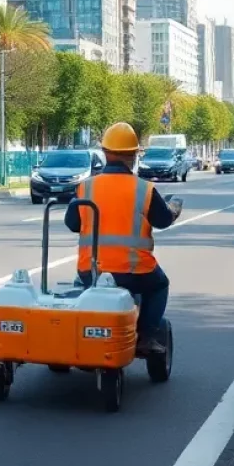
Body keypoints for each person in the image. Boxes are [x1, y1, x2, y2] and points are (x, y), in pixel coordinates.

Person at [64, 122, 182, 355]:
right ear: (133, 156)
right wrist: (174, 208)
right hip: (135, 273)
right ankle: (146, 336)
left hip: (91, 271)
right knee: (160, 285)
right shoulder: (144, 189)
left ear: (105, 153)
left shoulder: (85, 188)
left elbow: (72, 224)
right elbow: (163, 220)